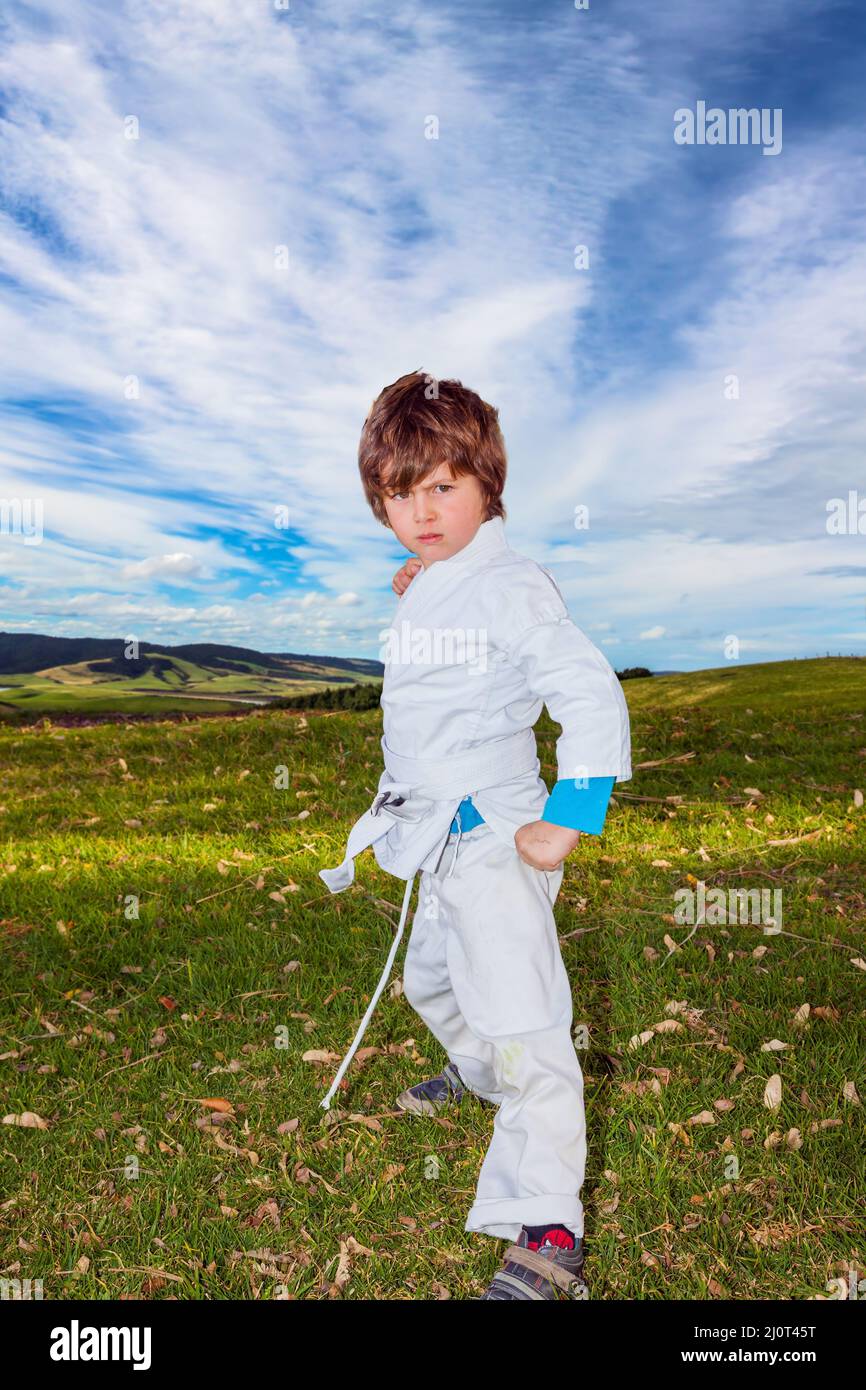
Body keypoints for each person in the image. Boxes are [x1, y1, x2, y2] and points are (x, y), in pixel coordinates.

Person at [319, 370, 632, 1300]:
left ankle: (547, 1228)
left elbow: (587, 692)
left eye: (442, 489)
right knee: (431, 981)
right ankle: (479, 1070)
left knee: (526, 1026)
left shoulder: (512, 584)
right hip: (433, 840)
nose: (419, 510)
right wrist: (425, 578)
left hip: (497, 838)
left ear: (488, 486)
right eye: (398, 494)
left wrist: (571, 813)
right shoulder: (444, 578)